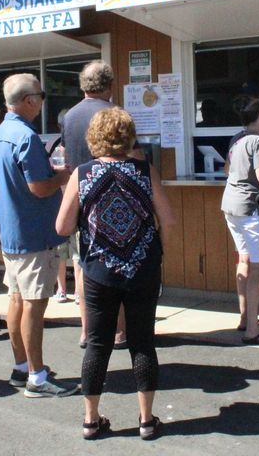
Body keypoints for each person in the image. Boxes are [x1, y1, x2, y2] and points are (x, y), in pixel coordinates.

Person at [56, 107, 175, 440]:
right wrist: (155, 248)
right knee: (142, 344)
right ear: (128, 136)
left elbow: (62, 225)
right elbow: (169, 219)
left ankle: (91, 421)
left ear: (94, 137)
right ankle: (147, 420)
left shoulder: (82, 173)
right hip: (142, 267)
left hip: (98, 270)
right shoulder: (144, 170)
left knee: (97, 345)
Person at [0, 73, 77, 397]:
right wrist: (65, 175)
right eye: (40, 95)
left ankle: (22, 366)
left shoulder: (0, 134)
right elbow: (38, 186)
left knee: (15, 300)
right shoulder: (25, 136)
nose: (42, 101)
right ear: (29, 101)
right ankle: (37, 378)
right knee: (34, 306)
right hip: (33, 234)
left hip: (12, 233)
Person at [61, 60, 127, 349]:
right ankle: (119, 332)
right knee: (119, 264)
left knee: (81, 264)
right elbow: (130, 155)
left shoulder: (70, 116)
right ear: (110, 85)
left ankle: (87, 331)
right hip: (113, 199)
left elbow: (65, 158)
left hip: (80, 197)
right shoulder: (113, 114)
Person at [221, 99, 259, 345]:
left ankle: (245, 317)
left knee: (244, 259)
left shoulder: (237, 140)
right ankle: (253, 330)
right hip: (249, 208)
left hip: (230, 206)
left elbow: (227, 170)